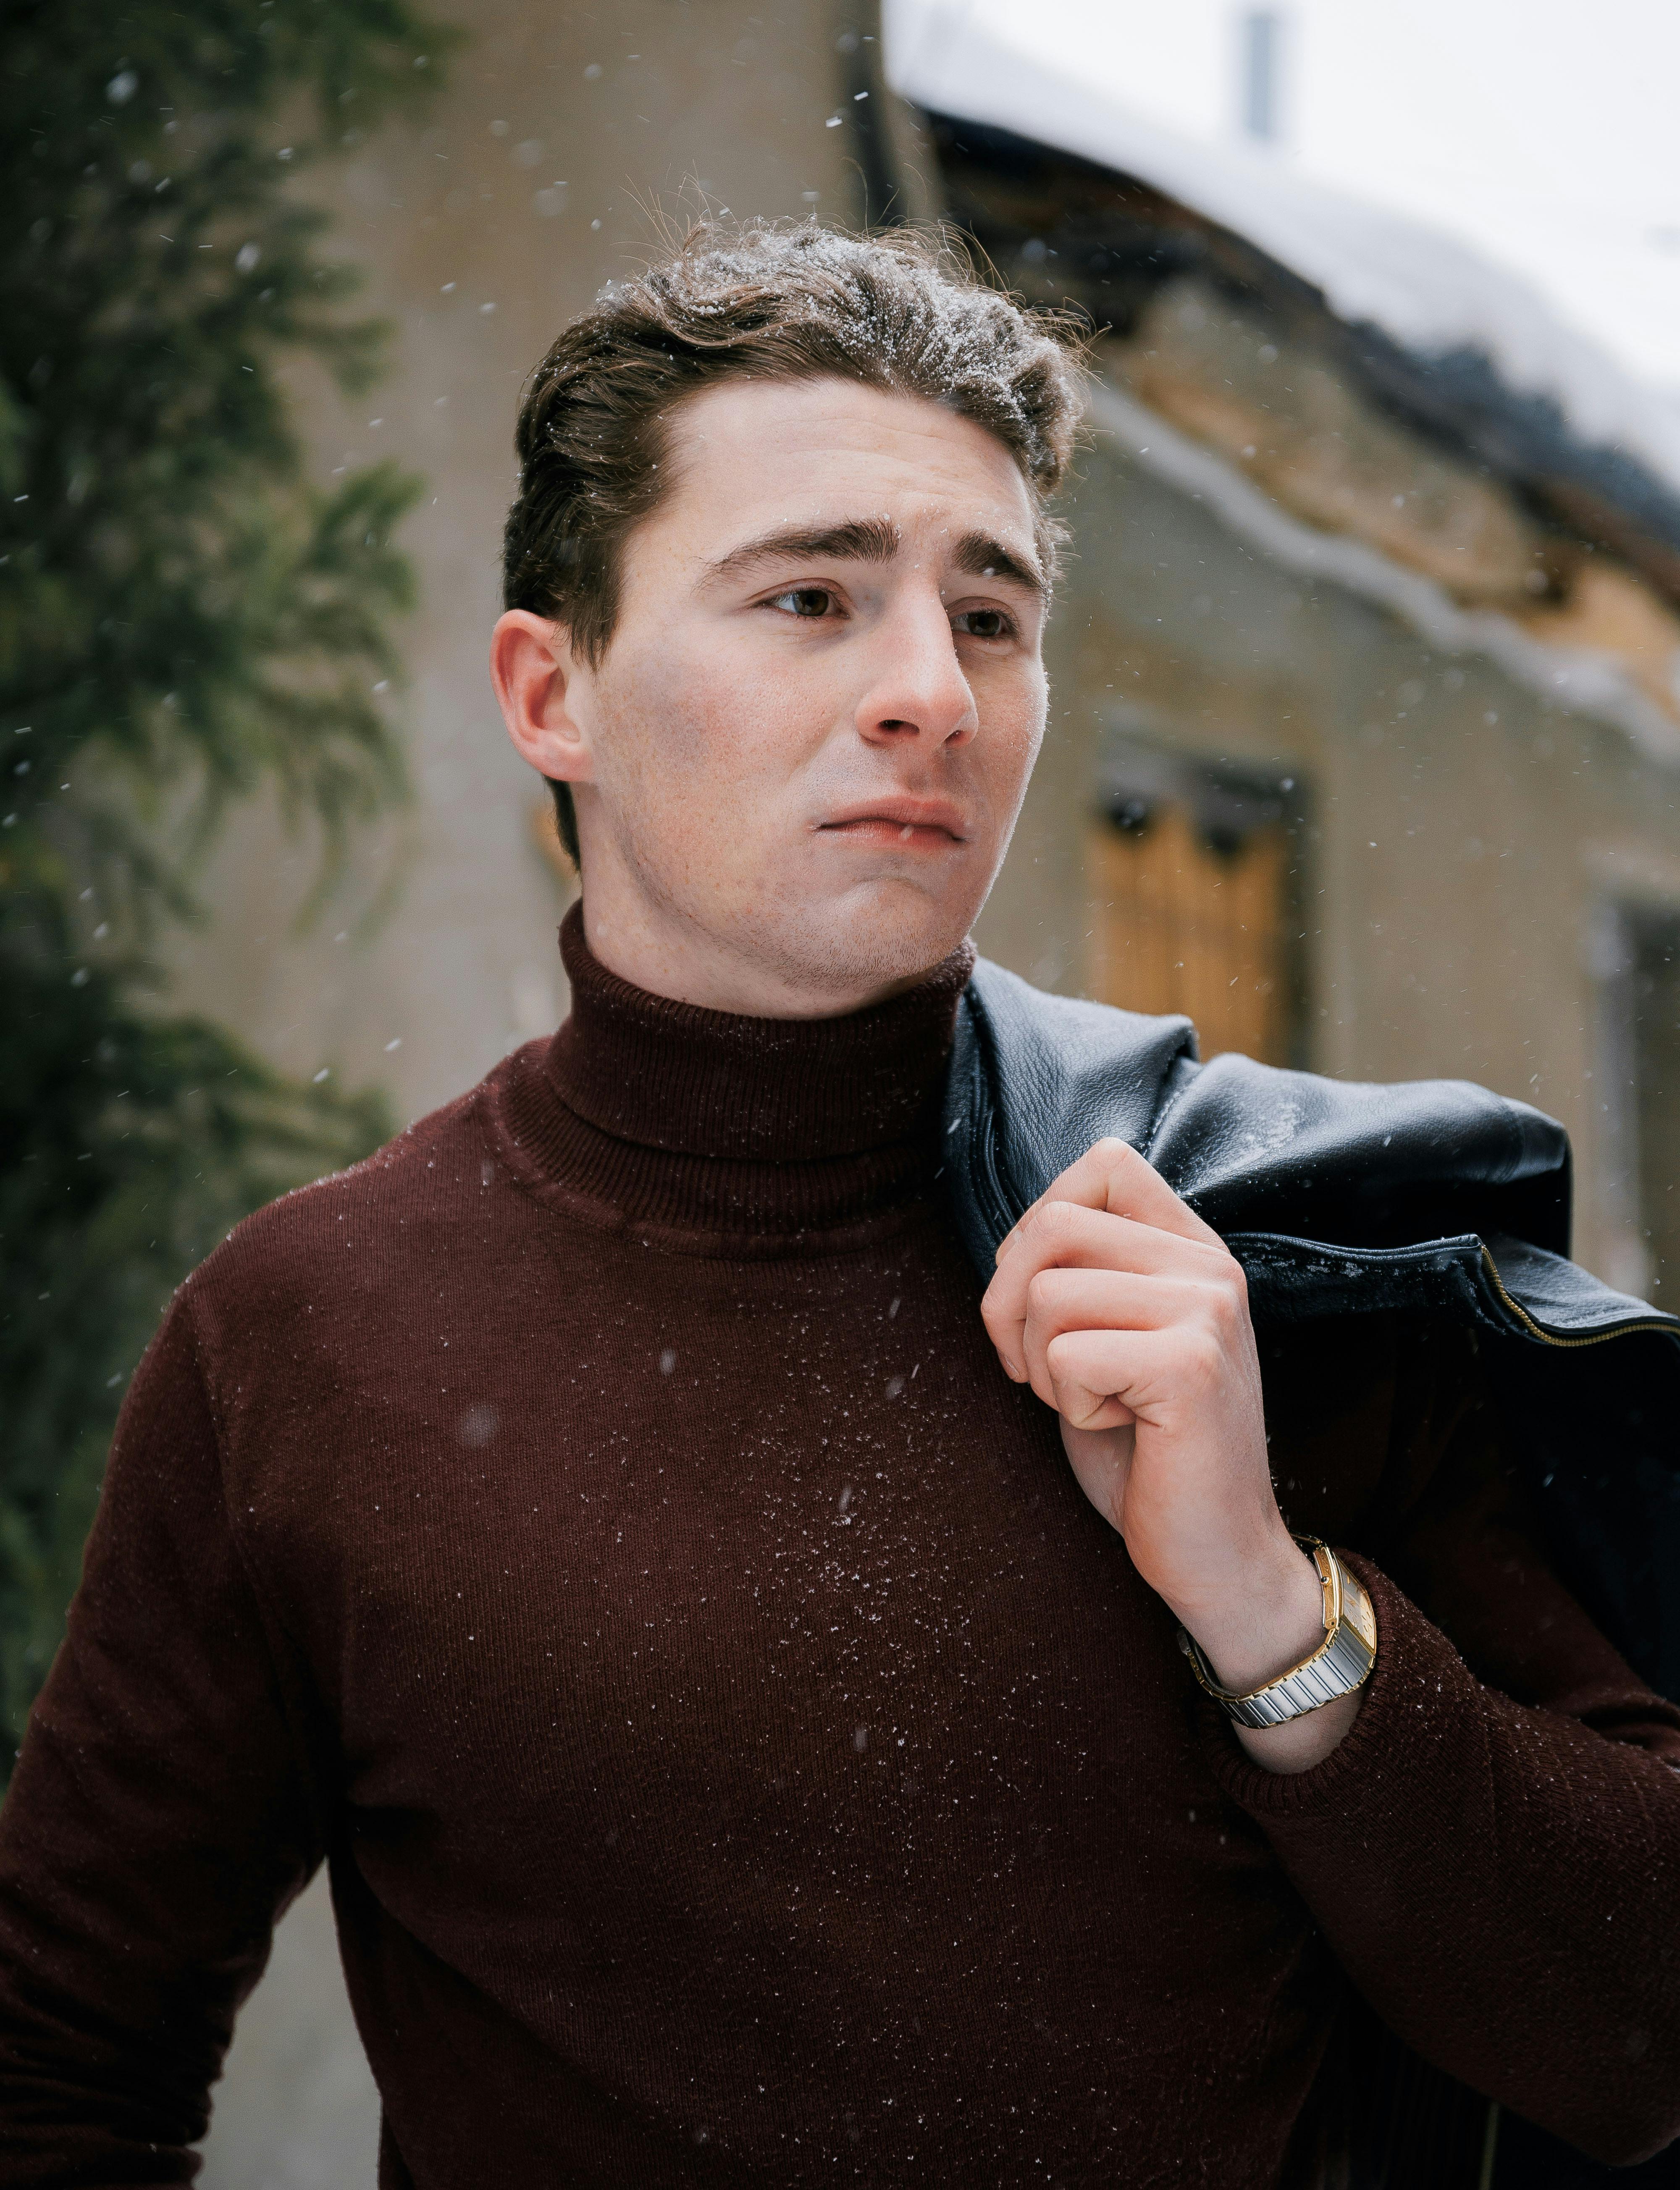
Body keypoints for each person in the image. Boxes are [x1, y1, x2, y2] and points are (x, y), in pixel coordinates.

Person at [0, 221, 1676, 2190]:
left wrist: (1268, 1608)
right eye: (810, 598)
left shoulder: (1264, 1265)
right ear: (556, 693)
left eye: (989, 617)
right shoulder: (307, 1337)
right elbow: (59, 2077)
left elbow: (1637, 2038)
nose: (930, 695)